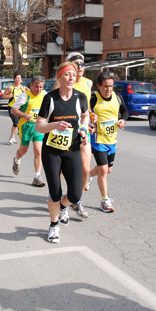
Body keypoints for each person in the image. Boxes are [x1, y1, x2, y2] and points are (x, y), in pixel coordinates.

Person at [36, 61, 90, 243]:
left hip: (72, 149)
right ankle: (53, 225)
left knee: (76, 194)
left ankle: (63, 207)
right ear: (60, 76)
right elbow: (39, 126)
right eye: (67, 74)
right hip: (51, 151)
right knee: (55, 191)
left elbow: (85, 115)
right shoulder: (50, 98)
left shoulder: (80, 97)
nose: (71, 78)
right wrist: (55, 125)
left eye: (74, 75)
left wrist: (83, 129)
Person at [55, 52, 94, 219]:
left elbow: (87, 109)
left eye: (82, 63)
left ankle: (76, 199)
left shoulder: (88, 83)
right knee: (60, 170)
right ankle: (56, 196)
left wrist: (90, 120)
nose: (80, 66)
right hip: (64, 134)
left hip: (82, 133)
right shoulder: (59, 84)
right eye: (76, 63)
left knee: (85, 169)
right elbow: (55, 108)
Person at [87, 70, 128, 213]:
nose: (108, 89)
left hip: (112, 140)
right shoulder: (94, 98)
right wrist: (91, 116)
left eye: (111, 86)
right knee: (103, 170)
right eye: (105, 86)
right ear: (99, 86)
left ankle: (89, 175)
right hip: (98, 139)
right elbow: (86, 113)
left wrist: (122, 120)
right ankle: (105, 200)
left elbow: (124, 112)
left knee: (107, 170)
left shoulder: (117, 98)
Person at [11, 76, 46, 187]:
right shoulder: (24, 96)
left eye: (41, 87)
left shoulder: (45, 95)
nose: (38, 89)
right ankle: (17, 160)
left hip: (39, 126)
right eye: (36, 87)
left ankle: (37, 176)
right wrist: (24, 115)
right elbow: (13, 109)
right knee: (23, 150)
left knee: (38, 151)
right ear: (31, 85)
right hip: (26, 126)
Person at [4, 73, 26, 145]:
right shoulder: (10, 88)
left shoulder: (23, 88)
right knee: (15, 123)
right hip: (12, 107)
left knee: (19, 123)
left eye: (19, 78)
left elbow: (29, 94)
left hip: (20, 108)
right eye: (17, 78)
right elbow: (4, 95)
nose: (18, 80)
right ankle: (12, 137)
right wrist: (9, 96)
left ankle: (14, 136)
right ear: (14, 79)